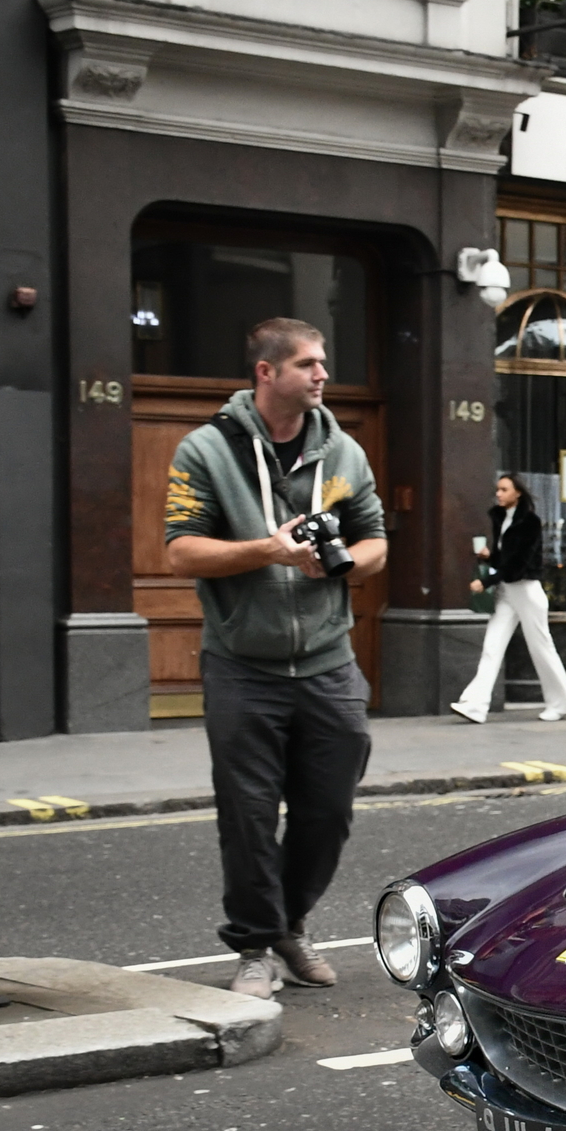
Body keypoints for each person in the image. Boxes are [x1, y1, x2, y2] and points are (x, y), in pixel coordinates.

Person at [164, 318, 388, 1000]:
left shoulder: (343, 452)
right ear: (267, 373)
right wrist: (267, 550)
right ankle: (257, 945)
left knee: (328, 809)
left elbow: (375, 542)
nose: (323, 374)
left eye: (324, 363)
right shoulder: (205, 450)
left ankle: (289, 922)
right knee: (250, 813)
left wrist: (339, 570)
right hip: (242, 662)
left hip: (326, 659)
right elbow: (180, 551)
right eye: (309, 364)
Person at [450, 474, 566, 724]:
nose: (498, 494)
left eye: (504, 489)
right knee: (491, 646)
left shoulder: (530, 523)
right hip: (508, 591)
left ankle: (561, 704)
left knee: (541, 648)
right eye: (497, 489)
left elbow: (519, 565)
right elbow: (505, 559)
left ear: (517, 493)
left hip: (527, 591)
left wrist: (486, 581)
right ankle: (475, 705)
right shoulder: (501, 518)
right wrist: (489, 557)